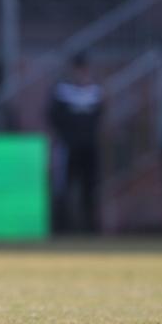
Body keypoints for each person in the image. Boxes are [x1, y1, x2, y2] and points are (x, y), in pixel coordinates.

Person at [46, 53, 104, 234]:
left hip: (89, 147)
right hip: (68, 146)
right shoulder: (62, 91)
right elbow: (53, 116)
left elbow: (99, 116)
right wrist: (67, 136)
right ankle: (62, 228)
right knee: (65, 186)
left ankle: (90, 228)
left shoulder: (95, 91)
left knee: (90, 187)